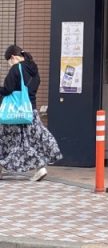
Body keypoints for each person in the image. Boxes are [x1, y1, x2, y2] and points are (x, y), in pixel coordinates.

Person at [0, 45, 62, 181]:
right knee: (31, 140)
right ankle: (40, 168)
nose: (9, 64)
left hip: (14, 113)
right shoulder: (34, 69)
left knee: (6, 139)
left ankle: (4, 167)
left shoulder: (16, 69)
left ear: (13, 57)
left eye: (8, 61)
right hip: (30, 111)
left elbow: (8, 89)